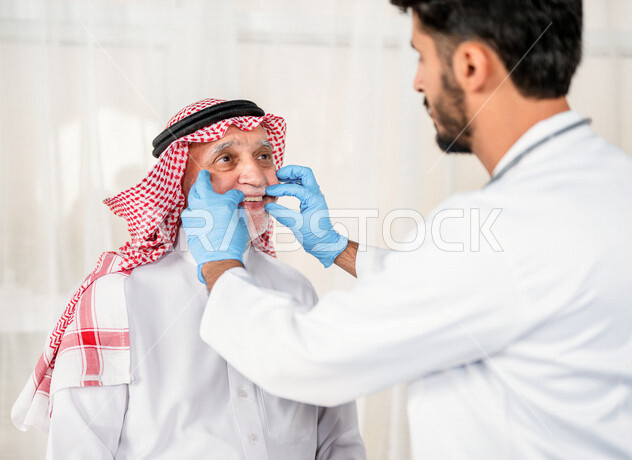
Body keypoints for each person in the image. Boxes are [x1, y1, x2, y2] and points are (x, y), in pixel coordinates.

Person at [180, 2, 632, 459]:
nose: (417, 80)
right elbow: (455, 291)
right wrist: (336, 247)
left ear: (471, 65)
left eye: (422, 56)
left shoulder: (510, 228)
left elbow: (310, 359)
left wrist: (219, 263)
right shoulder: (614, 186)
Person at [11, 98, 366, 459]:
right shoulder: (116, 297)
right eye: (226, 159)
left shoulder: (295, 288)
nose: (257, 177)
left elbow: (339, 441)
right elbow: (80, 448)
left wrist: (336, 248)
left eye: (263, 156)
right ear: (180, 183)